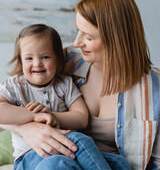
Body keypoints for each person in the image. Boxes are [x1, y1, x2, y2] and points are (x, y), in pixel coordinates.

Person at [1, 0, 159, 170]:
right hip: (49, 157)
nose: (76, 43)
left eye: (89, 37)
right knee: (58, 163)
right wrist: (26, 128)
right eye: (78, 30)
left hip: (97, 160)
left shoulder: (153, 88)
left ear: (115, 38)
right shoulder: (67, 61)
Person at [0, 24, 130, 170]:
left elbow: (81, 118)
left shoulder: (65, 84)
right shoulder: (15, 86)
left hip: (67, 150)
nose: (37, 63)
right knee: (77, 143)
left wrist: (50, 115)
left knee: (119, 163)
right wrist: (33, 115)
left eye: (45, 57)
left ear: (57, 59)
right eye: (29, 58)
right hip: (30, 156)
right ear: (20, 61)